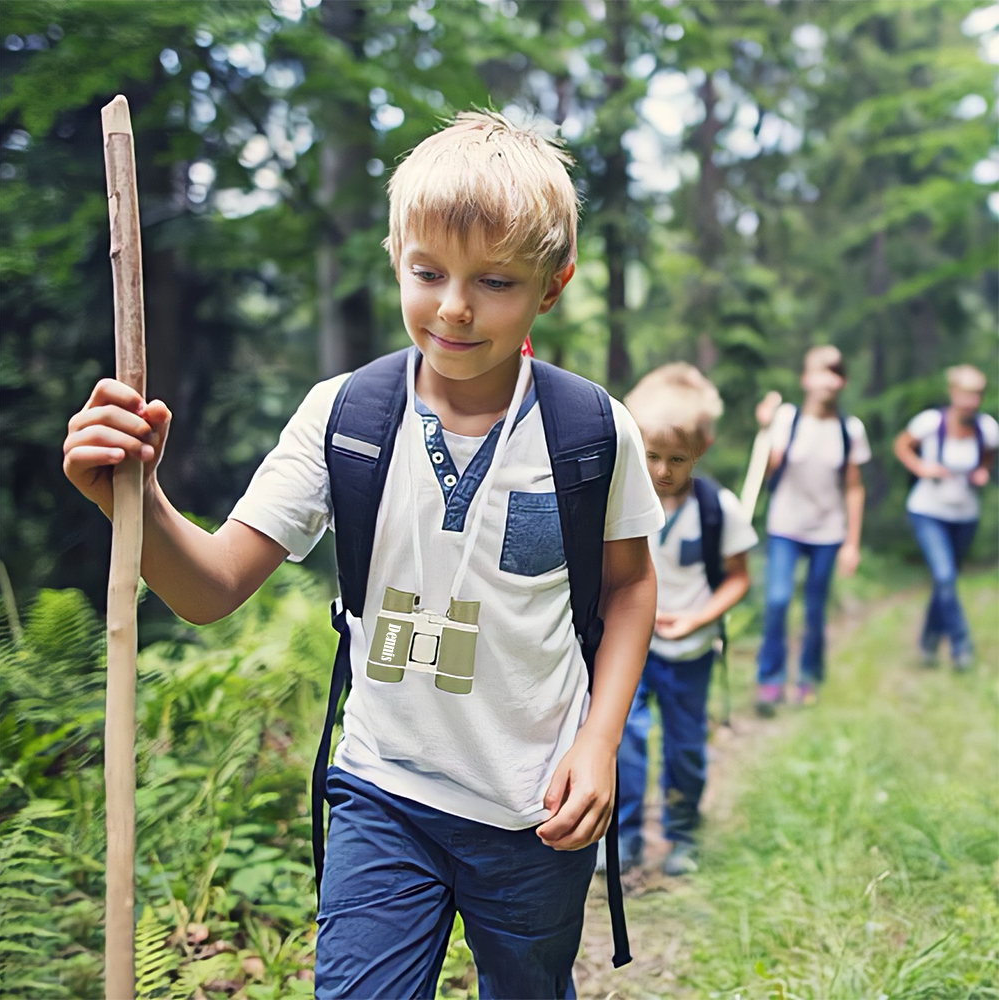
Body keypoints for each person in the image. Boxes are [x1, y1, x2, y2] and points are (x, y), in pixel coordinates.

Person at [62, 112, 665, 999]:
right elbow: (211, 587)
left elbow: (629, 589)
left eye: (494, 281)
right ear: (396, 258)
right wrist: (135, 500)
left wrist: (600, 742)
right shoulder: (343, 416)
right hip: (383, 793)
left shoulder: (589, 431)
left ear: (552, 284)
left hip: (535, 806)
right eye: (429, 273)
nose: (454, 306)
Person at [616, 364, 757, 876]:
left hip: (690, 653)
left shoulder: (719, 508)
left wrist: (699, 619)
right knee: (622, 740)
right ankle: (624, 837)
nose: (661, 471)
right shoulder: (620, 500)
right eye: (651, 456)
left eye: (677, 458)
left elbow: (738, 578)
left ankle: (682, 836)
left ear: (703, 447)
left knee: (685, 746)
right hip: (626, 649)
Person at [753, 345, 870, 715]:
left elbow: (853, 486)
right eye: (820, 371)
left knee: (815, 609)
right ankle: (769, 680)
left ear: (843, 381)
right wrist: (766, 429)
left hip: (828, 531)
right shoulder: (786, 419)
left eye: (835, 372)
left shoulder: (850, 430)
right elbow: (769, 471)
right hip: (785, 526)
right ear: (805, 378)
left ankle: (808, 678)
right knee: (777, 600)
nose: (827, 379)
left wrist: (852, 543)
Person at [893, 364, 997, 670]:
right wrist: (922, 469)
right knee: (944, 576)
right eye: (967, 394)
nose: (972, 401)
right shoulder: (930, 422)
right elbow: (901, 445)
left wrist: (982, 472)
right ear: (953, 393)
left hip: (965, 515)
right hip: (928, 511)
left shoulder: (986, 428)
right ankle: (961, 647)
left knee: (946, 583)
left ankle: (927, 642)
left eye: (977, 395)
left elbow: (988, 455)